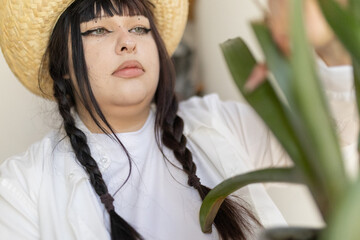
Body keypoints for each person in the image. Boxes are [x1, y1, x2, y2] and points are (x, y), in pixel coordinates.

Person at [0, 0, 357, 240]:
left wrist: (330, 43)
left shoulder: (217, 123)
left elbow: (335, 129)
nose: (128, 42)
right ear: (62, 66)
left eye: (140, 28)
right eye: (98, 30)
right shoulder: (21, 188)